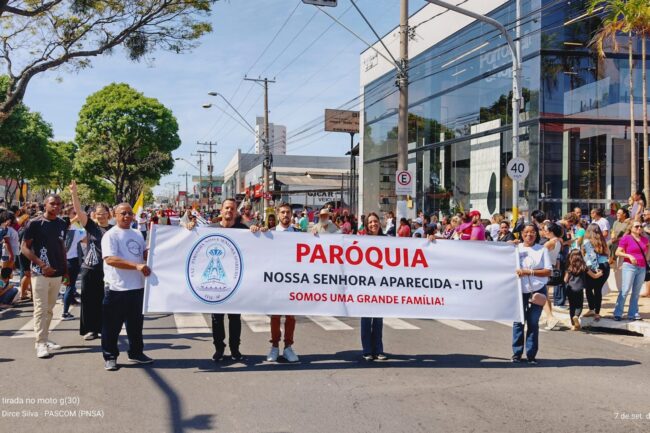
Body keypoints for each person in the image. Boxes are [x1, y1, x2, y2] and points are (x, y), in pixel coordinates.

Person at [101, 202, 153, 371]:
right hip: (117, 288)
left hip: (137, 287)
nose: (127, 216)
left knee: (136, 326)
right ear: (114, 215)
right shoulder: (111, 235)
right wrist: (136, 266)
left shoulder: (137, 233)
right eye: (123, 213)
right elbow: (110, 259)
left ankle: (136, 353)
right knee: (112, 326)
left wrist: (149, 254)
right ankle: (110, 356)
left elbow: (140, 254)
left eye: (130, 213)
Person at [20, 194, 68, 359]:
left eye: (58, 204)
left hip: (57, 273)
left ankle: (45, 338)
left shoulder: (62, 223)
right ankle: (40, 343)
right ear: (45, 205)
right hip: (39, 272)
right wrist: (42, 265)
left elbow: (62, 246)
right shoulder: (34, 223)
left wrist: (65, 269)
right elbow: (24, 248)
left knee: (49, 309)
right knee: (40, 309)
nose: (56, 207)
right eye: (52, 204)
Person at [252, 203, 300, 363]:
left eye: (288, 212)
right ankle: (274, 347)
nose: (286, 215)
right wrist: (257, 233)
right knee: (275, 315)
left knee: (291, 316)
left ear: (292, 215)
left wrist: (314, 234)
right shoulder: (269, 234)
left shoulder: (300, 234)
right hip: (275, 281)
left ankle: (288, 347)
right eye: (283, 212)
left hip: (293, 280)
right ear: (278, 215)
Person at [70, 181, 112, 341]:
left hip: (107, 271)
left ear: (109, 214)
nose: (100, 215)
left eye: (103, 212)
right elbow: (79, 212)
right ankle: (91, 330)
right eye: (97, 213)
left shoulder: (114, 230)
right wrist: (74, 193)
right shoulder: (91, 227)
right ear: (94, 215)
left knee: (105, 301)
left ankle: (104, 328)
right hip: (89, 269)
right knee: (88, 301)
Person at [209, 199, 249, 362]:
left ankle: (235, 349)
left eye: (232, 208)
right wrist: (189, 227)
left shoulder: (243, 230)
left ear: (235, 212)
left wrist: (256, 230)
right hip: (216, 283)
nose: (229, 211)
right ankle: (219, 348)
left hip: (235, 282)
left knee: (234, 318)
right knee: (216, 318)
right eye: (227, 208)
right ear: (221, 209)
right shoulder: (210, 230)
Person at [513, 223, 552, 364]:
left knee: (533, 322)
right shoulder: (515, 249)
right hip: (519, 291)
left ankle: (531, 355)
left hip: (537, 291)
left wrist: (530, 272)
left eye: (532, 232)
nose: (529, 235)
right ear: (521, 234)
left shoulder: (542, 249)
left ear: (536, 234)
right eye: (526, 232)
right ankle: (516, 354)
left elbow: (548, 271)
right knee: (518, 321)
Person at [359, 212, 387, 361]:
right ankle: (367, 350)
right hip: (365, 285)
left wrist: (431, 239)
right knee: (366, 319)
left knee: (378, 319)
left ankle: (378, 350)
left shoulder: (387, 240)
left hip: (381, 285)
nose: (373, 224)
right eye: (370, 222)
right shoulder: (360, 240)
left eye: (375, 221)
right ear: (366, 225)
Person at [614, 221, 648, 321]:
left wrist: (646, 258)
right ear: (631, 228)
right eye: (636, 226)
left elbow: (647, 248)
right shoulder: (626, 238)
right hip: (629, 266)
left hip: (641, 267)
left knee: (636, 292)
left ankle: (633, 313)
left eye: (640, 226)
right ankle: (618, 313)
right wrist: (628, 256)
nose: (639, 228)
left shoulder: (644, 239)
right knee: (625, 290)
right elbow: (617, 252)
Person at [581, 224, 610, 321]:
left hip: (594, 267)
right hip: (605, 266)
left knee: (589, 289)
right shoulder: (602, 241)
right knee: (598, 290)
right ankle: (597, 312)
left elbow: (592, 255)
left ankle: (592, 309)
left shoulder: (587, 241)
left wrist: (595, 268)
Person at [61, 207, 86, 321]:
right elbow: (86, 236)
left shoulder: (58, 232)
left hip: (60, 261)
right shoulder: (76, 232)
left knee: (65, 285)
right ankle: (65, 312)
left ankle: (64, 303)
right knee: (70, 287)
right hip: (72, 262)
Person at [563, 250, 597, 331]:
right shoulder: (584, 267)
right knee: (579, 306)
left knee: (572, 306)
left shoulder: (569, 267)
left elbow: (565, 279)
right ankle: (576, 316)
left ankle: (573, 325)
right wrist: (600, 274)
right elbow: (594, 276)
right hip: (579, 289)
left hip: (570, 289)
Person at [541, 222, 563, 330]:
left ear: (551, 231)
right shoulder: (557, 241)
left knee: (542, 295)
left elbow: (539, 253)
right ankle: (550, 318)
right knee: (545, 295)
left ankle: (550, 317)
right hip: (550, 269)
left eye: (545, 230)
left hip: (545, 269)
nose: (543, 232)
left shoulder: (550, 242)